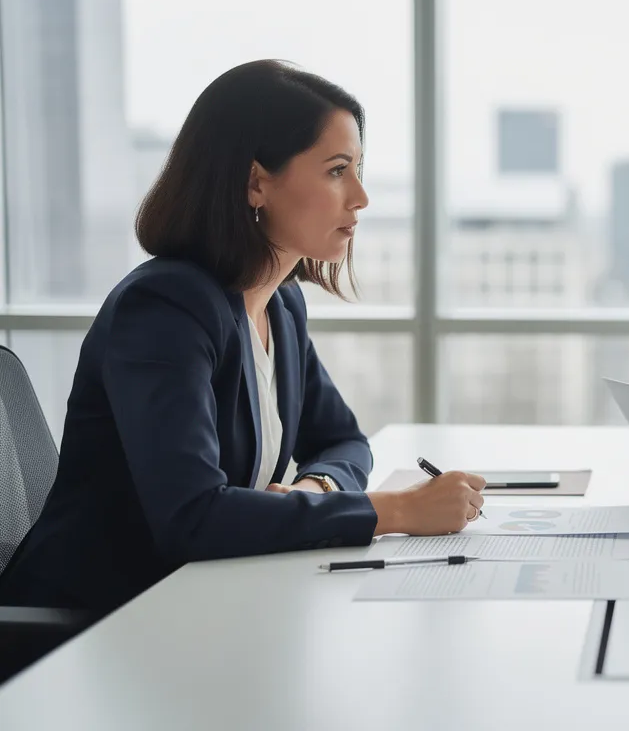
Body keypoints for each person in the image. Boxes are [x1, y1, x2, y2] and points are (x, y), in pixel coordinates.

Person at [0, 60, 484, 616]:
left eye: (358, 169)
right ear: (256, 183)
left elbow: (344, 441)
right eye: (336, 171)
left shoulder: (281, 305)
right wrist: (395, 511)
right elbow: (193, 517)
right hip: (93, 625)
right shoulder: (164, 308)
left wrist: (318, 488)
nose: (360, 197)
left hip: (200, 605)